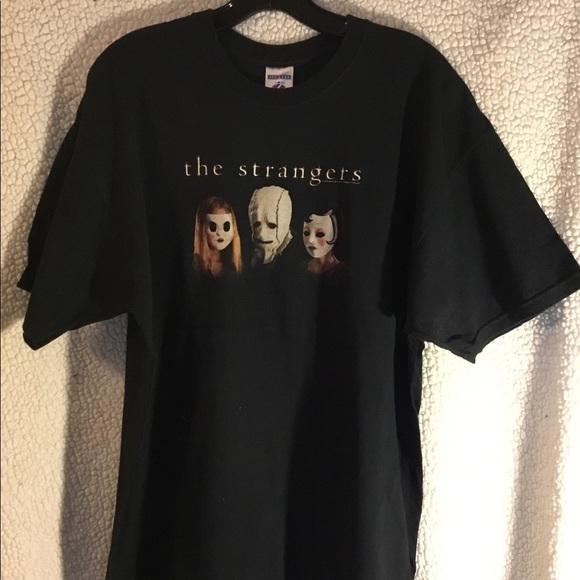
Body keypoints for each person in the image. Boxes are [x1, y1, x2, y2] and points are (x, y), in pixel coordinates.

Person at [193, 196, 242, 277]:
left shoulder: (237, 266)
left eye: (226, 227)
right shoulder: (192, 266)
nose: (219, 233)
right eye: (213, 227)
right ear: (202, 229)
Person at [248, 185, 293, 266]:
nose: (261, 234)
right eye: (257, 224)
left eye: (272, 225)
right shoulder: (245, 253)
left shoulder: (294, 258)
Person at [302, 210, 348, 276]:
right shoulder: (299, 269)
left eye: (320, 234)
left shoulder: (345, 274)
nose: (310, 240)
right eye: (306, 233)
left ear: (335, 235)